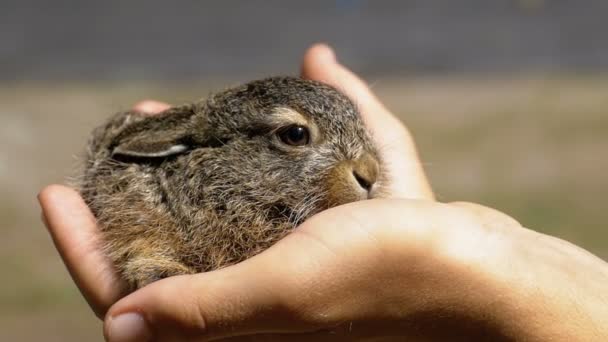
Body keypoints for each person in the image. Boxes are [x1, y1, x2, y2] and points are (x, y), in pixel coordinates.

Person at [38, 44, 608, 341]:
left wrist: (460, 280)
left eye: (359, 145)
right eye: (295, 137)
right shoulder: (157, 180)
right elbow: (113, 164)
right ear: (212, 148)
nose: (364, 170)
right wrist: (148, 255)